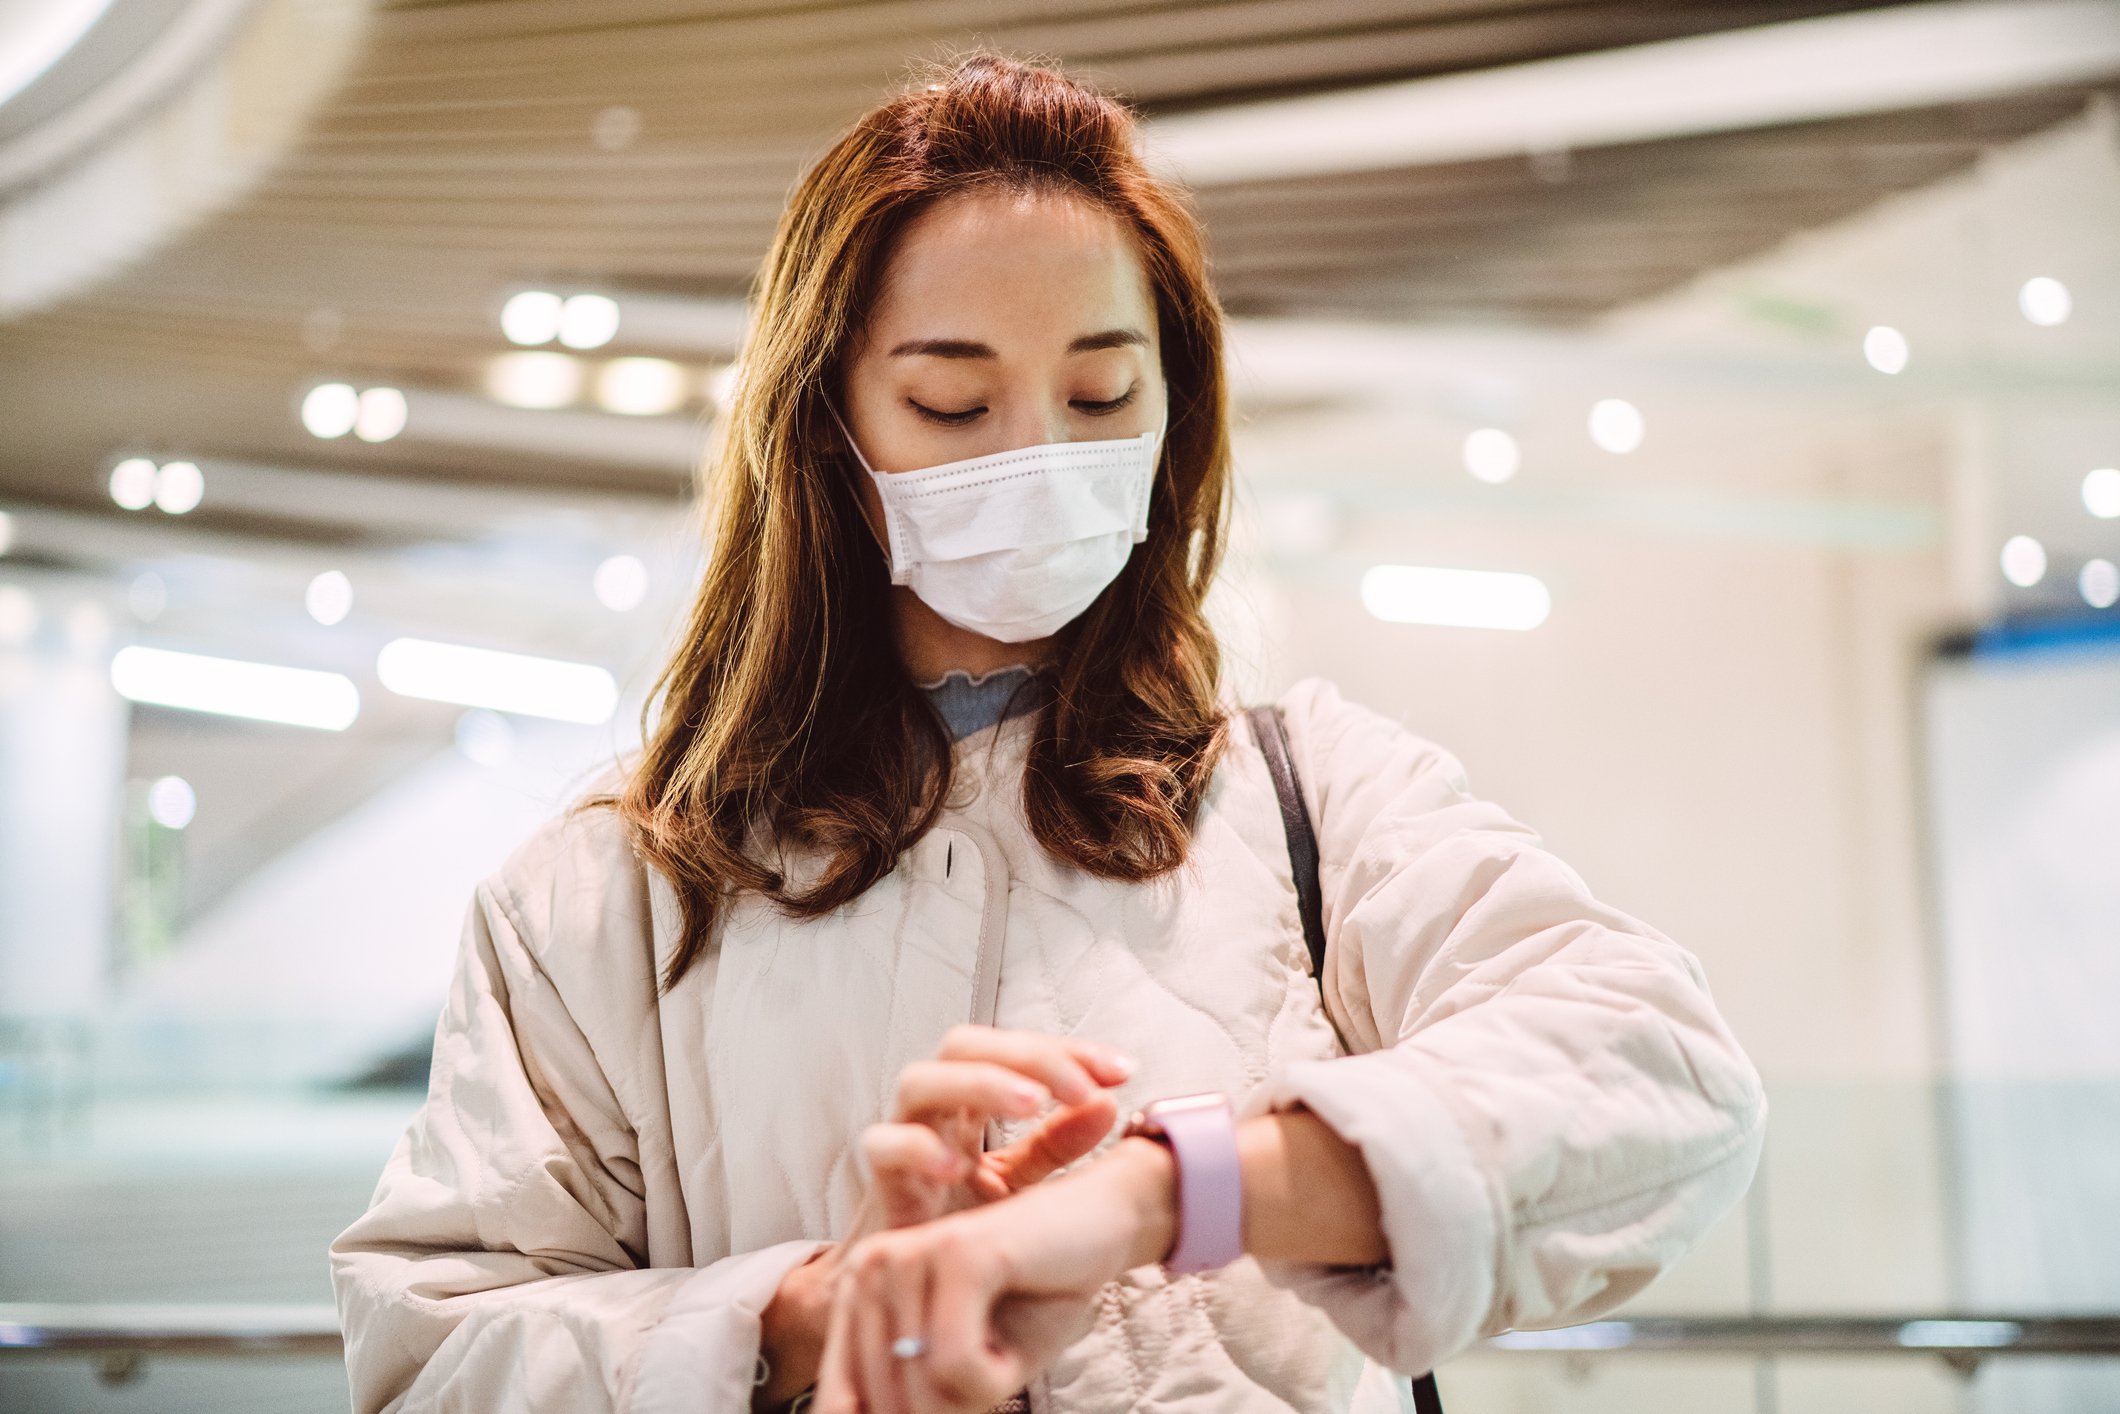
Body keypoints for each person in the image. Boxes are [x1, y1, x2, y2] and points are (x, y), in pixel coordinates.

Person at [329, 50, 1768, 1414]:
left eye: (1100, 393)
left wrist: (1166, 1187)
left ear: (1173, 412)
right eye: (952, 401)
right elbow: (431, 1349)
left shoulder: (1310, 792)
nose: (1042, 455)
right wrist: (820, 1311)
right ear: (824, 426)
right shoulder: (609, 893)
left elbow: (1659, 1071)